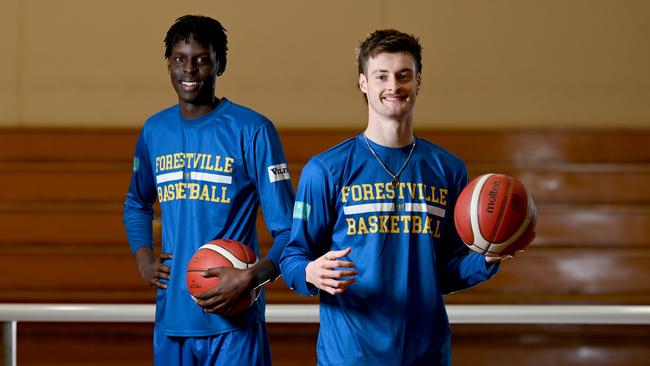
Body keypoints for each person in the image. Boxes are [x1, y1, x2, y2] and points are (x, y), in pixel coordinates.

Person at [280, 29, 525, 365]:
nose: (393, 86)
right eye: (381, 76)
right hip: (350, 354)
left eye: (403, 75)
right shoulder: (325, 169)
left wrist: (488, 256)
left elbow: (447, 270)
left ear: (419, 81)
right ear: (364, 83)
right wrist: (310, 272)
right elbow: (292, 256)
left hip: (425, 353)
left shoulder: (448, 169)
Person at [123, 15, 294, 365]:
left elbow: (290, 231)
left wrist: (251, 278)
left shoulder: (254, 130)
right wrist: (143, 259)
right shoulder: (155, 131)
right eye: (179, 59)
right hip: (173, 319)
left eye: (201, 59)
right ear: (168, 64)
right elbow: (136, 203)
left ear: (220, 64)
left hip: (235, 323)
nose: (189, 70)